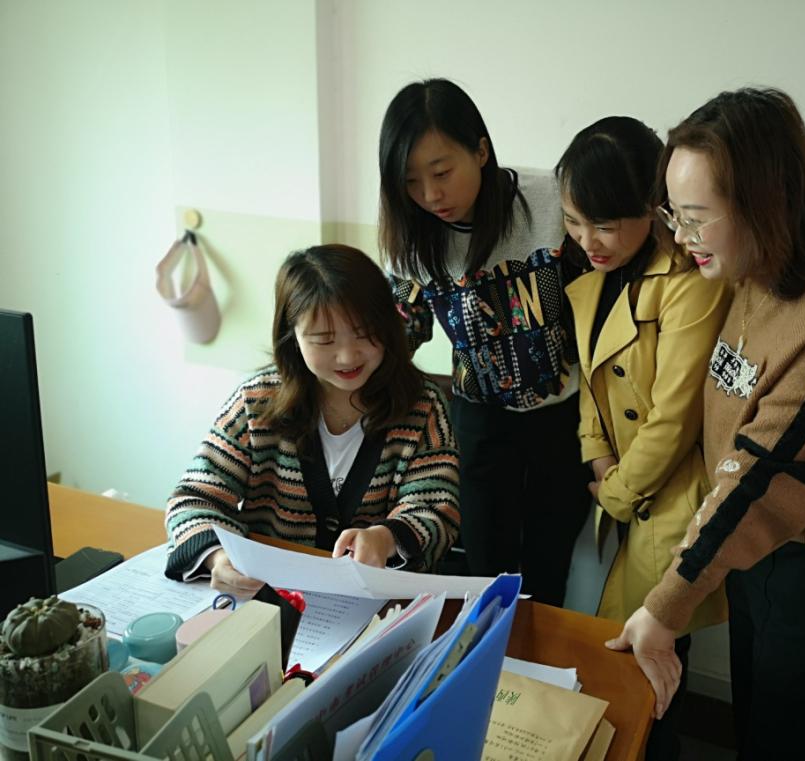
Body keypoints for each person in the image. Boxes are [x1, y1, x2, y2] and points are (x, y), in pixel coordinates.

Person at [607, 88, 805, 761]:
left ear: (766, 202)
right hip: (765, 550)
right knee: (759, 735)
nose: (682, 237)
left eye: (696, 218)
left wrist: (665, 607)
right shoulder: (751, 271)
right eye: (674, 215)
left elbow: (761, 477)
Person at [378, 78, 590, 606]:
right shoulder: (412, 238)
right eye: (411, 181)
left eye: (442, 172)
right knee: (484, 573)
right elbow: (398, 331)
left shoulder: (551, 200)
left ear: (480, 150)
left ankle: (537, 661)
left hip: (563, 417)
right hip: (479, 421)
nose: (430, 195)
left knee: (548, 572)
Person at [557, 116, 730, 759]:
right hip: (619, 484)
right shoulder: (591, 277)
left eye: (604, 223)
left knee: (652, 675)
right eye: (574, 222)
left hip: (669, 501)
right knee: (617, 660)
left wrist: (616, 491)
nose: (588, 241)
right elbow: (589, 383)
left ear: (649, 208)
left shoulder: (689, 284)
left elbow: (674, 418)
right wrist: (597, 456)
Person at [164, 244, 460, 594]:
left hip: (378, 604)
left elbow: (437, 510)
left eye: (364, 333)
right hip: (273, 598)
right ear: (293, 337)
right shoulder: (256, 402)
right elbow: (193, 498)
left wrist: (386, 538)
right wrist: (217, 557)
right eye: (324, 340)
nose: (347, 356)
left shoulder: (422, 406)